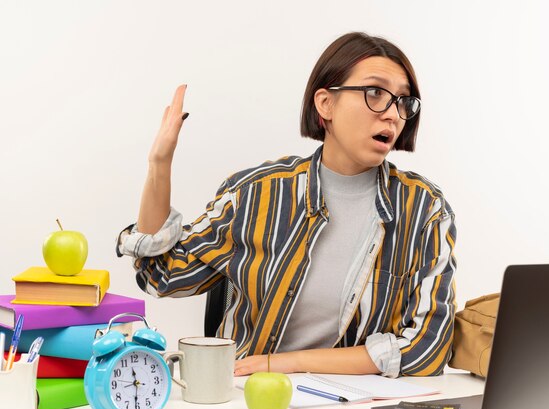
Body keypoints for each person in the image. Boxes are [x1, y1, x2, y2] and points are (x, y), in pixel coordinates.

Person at [116, 32, 457, 378]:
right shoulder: (257, 194)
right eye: (375, 93)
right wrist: (160, 164)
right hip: (244, 401)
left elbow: (427, 349)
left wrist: (288, 363)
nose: (393, 115)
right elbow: (161, 274)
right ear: (326, 104)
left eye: (403, 102)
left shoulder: (424, 210)